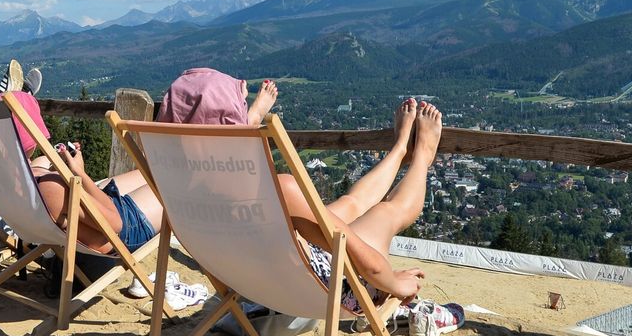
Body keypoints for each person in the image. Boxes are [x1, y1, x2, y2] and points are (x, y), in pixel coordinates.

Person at [155, 67, 437, 304]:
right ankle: (422, 156)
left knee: (345, 207)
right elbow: (373, 267)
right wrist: (395, 283)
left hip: (249, 291)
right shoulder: (277, 191)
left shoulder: (175, 190)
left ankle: (399, 150)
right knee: (387, 212)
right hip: (320, 292)